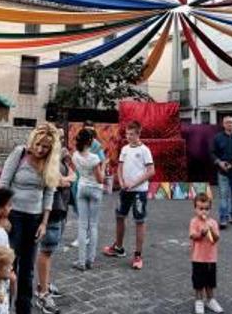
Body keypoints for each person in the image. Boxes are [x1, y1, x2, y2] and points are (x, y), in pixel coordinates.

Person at [0, 123, 60, 314]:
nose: (40, 150)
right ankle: (3, 306)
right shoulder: (20, 153)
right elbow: (4, 184)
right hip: (13, 216)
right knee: (9, 265)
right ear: (33, 141)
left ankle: (23, 309)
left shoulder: (50, 163)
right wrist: (3, 216)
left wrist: (43, 223)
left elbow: (50, 193)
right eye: (38, 144)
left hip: (34, 219)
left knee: (27, 269)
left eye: (45, 147)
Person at [103, 121, 155, 270]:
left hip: (139, 191)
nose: (129, 136)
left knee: (139, 221)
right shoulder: (125, 148)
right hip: (125, 190)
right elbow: (120, 167)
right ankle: (118, 247)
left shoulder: (145, 150)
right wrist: (121, 180)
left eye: (132, 134)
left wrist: (134, 183)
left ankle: (138, 254)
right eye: (127, 134)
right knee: (119, 216)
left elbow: (151, 171)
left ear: (138, 134)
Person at [34, 132, 74, 314]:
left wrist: (65, 180)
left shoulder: (61, 157)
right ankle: (42, 292)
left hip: (61, 208)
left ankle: (44, 284)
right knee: (46, 250)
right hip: (50, 210)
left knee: (49, 251)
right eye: (58, 138)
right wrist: (63, 181)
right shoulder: (45, 159)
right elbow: (54, 181)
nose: (61, 141)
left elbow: (73, 175)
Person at [72, 128, 104, 271]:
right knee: (93, 226)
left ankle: (81, 261)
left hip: (82, 188)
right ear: (90, 141)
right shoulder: (94, 158)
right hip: (95, 190)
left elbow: (79, 171)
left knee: (82, 225)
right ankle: (90, 260)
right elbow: (100, 179)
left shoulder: (75, 156)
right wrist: (105, 166)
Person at [189, 193, 223, 314]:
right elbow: (193, 236)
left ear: (210, 209)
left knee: (210, 281)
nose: (204, 211)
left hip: (211, 258)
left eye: (206, 209)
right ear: (195, 209)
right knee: (198, 282)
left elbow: (215, 239)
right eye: (200, 208)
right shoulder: (194, 221)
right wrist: (201, 234)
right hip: (198, 258)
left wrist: (211, 231)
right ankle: (199, 301)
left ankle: (210, 299)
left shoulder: (213, 223)